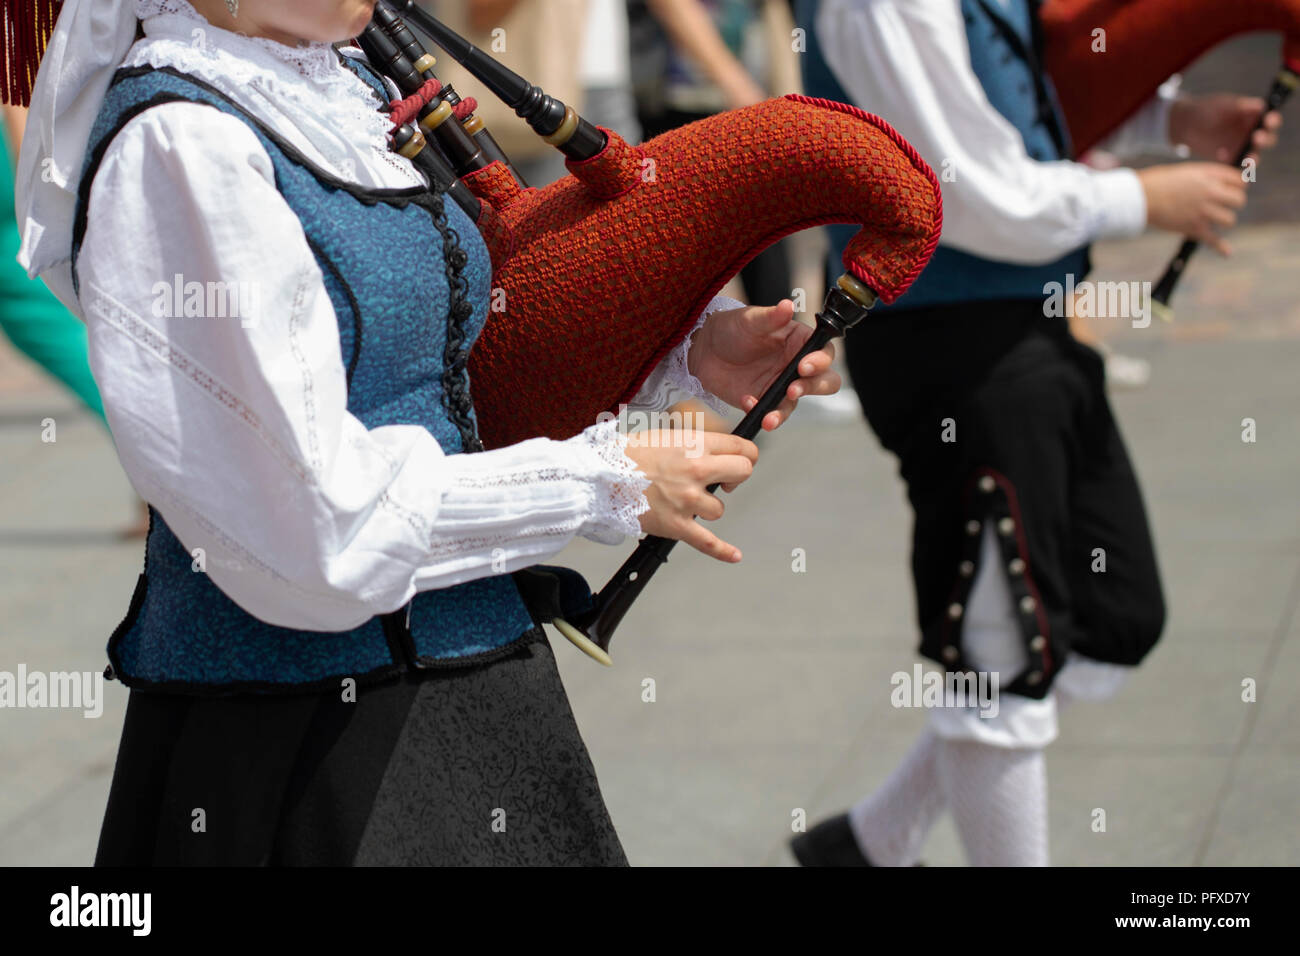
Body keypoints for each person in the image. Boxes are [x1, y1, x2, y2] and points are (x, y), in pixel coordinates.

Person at [11, 0, 841, 865]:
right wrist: (601, 481)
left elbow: (454, 335)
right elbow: (307, 522)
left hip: (474, 674)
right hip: (303, 745)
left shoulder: (344, 79)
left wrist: (687, 350)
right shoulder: (181, 146)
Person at [791, 0, 1280, 866]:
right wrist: (1142, 196)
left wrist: (1172, 119)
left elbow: (1019, 99)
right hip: (951, 349)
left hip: (1025, 327)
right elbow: (959, 185)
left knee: (1113, 616)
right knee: (1001, 663)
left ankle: (870, 841)